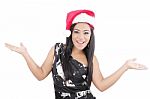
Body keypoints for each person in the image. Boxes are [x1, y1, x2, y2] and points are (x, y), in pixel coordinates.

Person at [5, 9, 147, 99]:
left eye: (86, 33)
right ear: (70, 33)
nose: (81, 37)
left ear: (91, 36)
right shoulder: (57, 50)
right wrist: (25, 54)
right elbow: (40, 74)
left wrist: (125, 67)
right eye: (77, 32)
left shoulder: (91, 58)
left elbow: (102, 86)